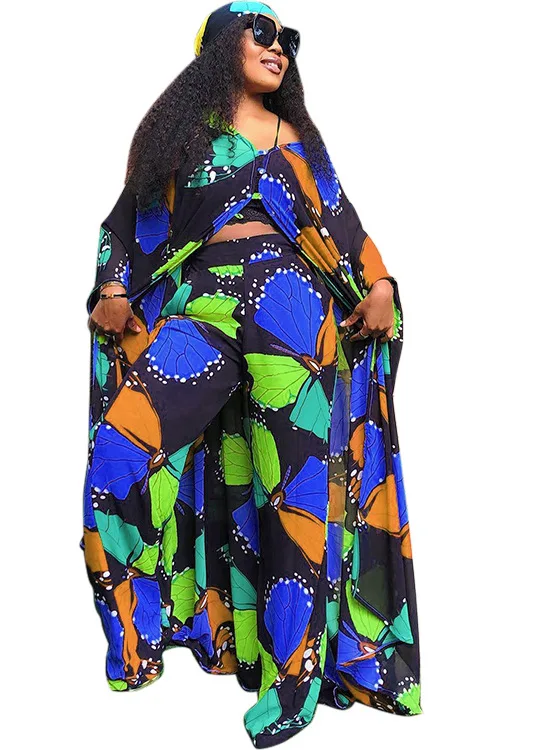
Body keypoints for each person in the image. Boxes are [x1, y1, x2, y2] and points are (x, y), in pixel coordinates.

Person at [81, 4, 422, 746]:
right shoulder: (175, 135)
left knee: (297, 495)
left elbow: (346, 228)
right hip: (202, 306)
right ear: (217, 46)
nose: (280, 48)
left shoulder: (297, 138)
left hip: (294, 314)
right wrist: (112, 287)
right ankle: (135, 638)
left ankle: (292, 687)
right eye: (262, 33)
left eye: (288, 40)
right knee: (119, 456)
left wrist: (382, 285)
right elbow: (127, 225)